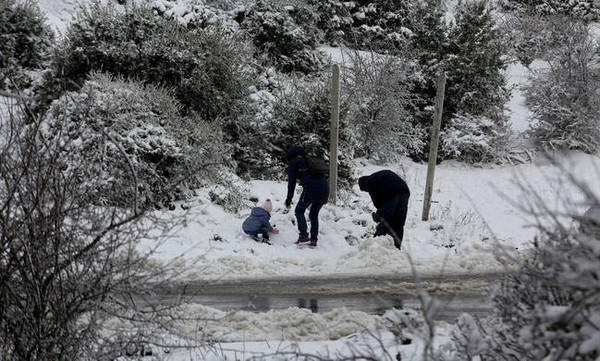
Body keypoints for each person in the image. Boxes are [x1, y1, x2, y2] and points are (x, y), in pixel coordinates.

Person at [285, 145, 329, 248]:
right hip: (325, 188)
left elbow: (292, 183)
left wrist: (289, 199)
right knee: (314, 215)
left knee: (299, 211)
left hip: (311, 189)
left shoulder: (294, 161)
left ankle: (304, 237)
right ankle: (313, 240)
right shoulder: (309, 159)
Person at [358, 170, 410, 250]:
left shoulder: (370, 183)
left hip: (392, 193)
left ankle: (376, 246)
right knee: (399, 222)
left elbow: (378, 202)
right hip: (404, 191)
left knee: (385, 222)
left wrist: (378, 215)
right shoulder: (377, 177)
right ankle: (396, 248)